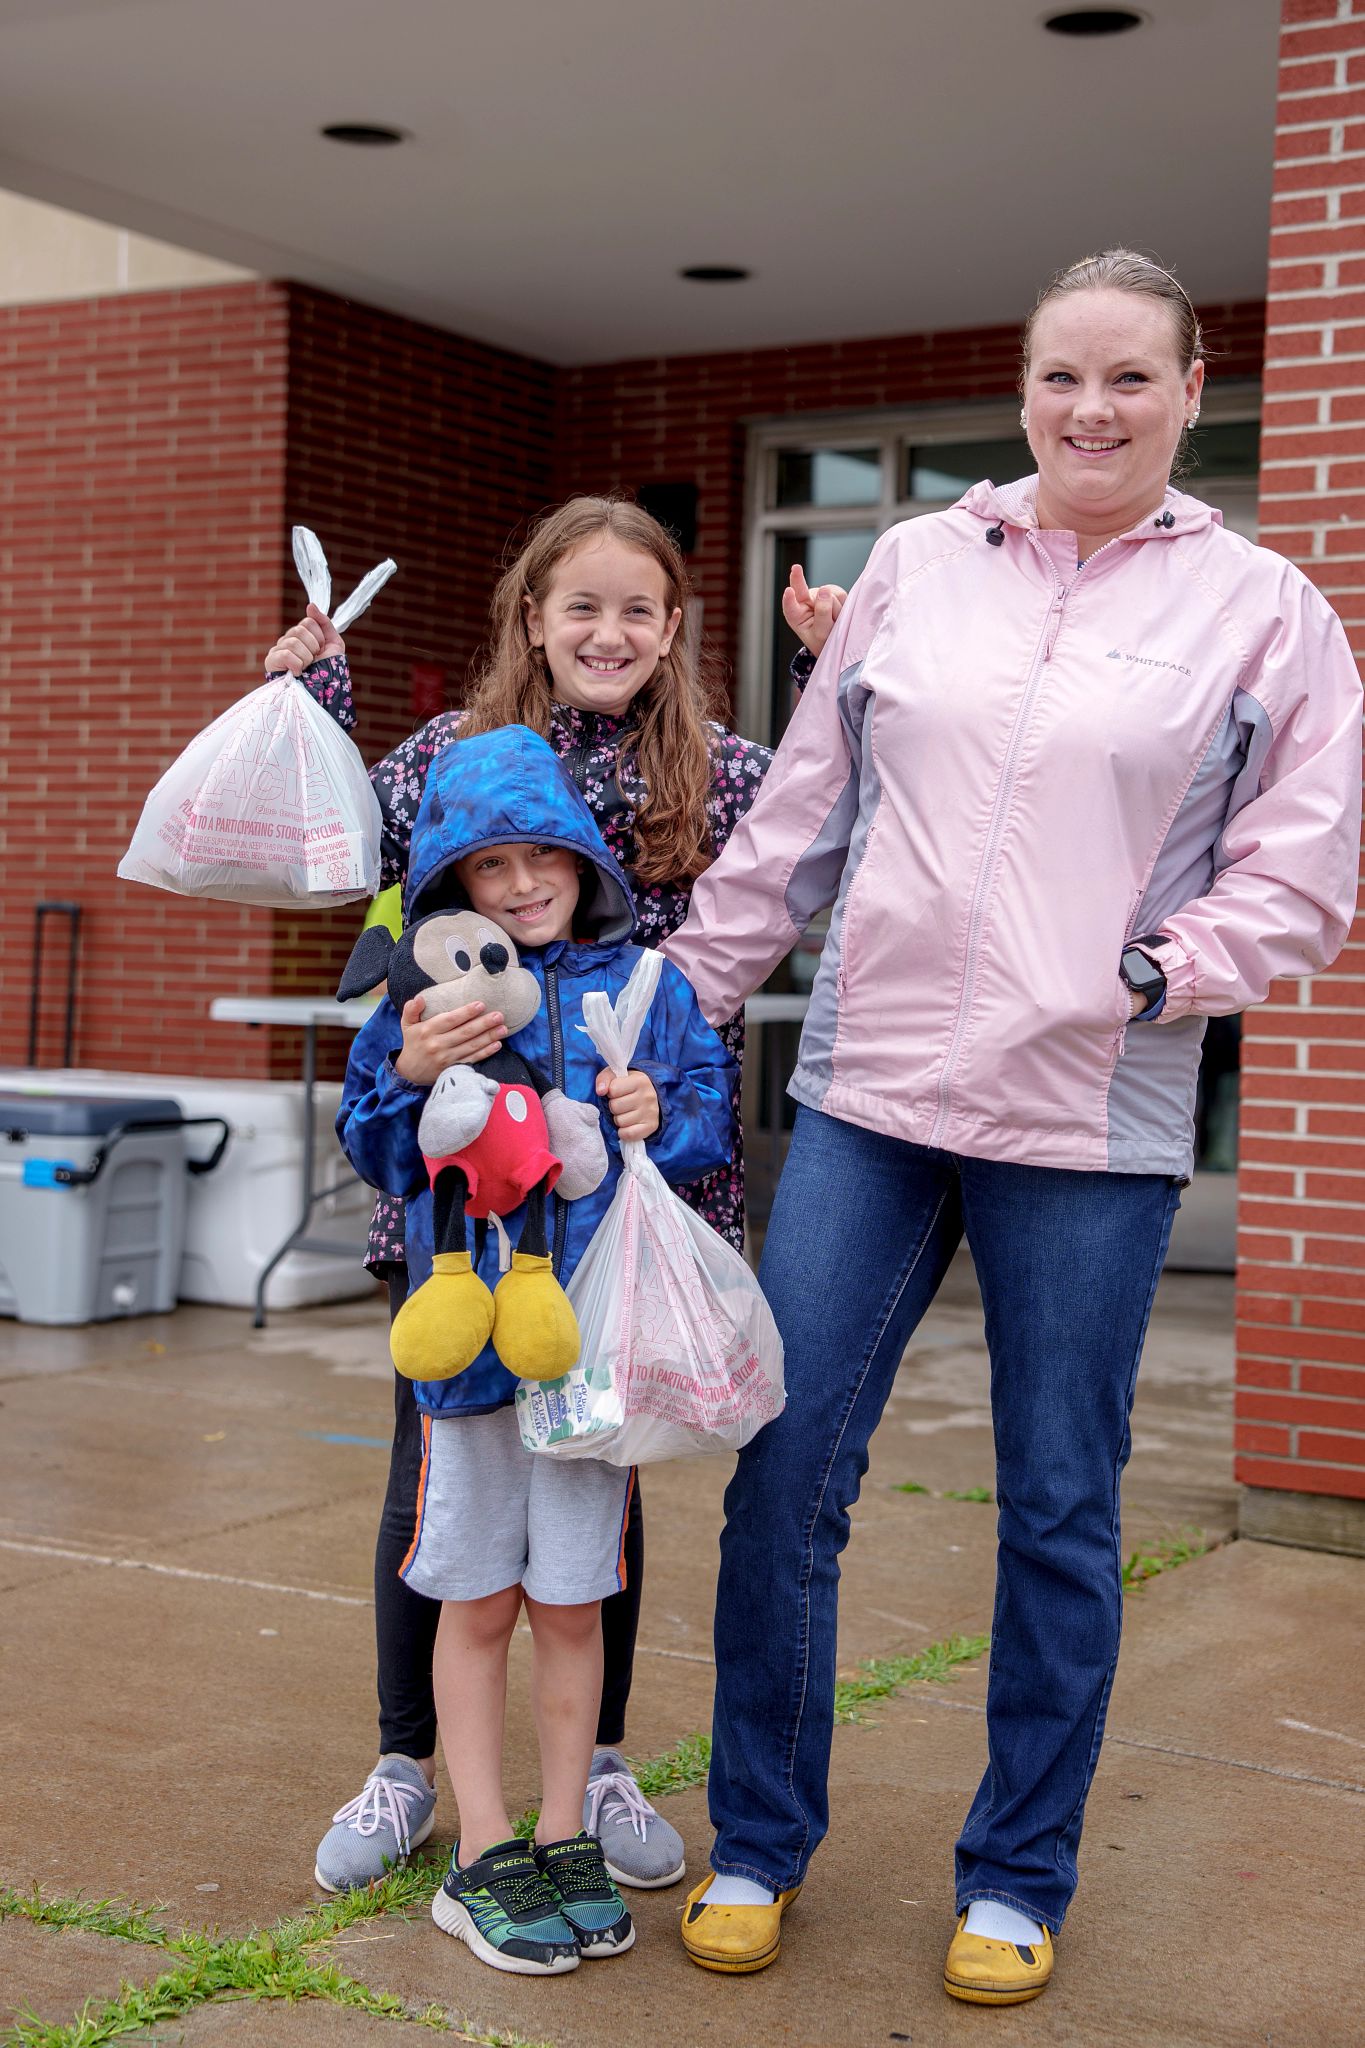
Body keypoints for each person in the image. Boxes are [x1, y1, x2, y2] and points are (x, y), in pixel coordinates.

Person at [660, 249, 1363, 2006]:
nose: (1091, 410)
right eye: (1063, 377)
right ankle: (758, 1836)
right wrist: (674, 996)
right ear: (1024, 388)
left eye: (1132, 378)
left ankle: (1017, 1871)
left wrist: (1159, 968)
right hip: (874, 1088)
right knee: (784, 1462)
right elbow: (805, 815)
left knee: (1058, 1501)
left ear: (1195, 392)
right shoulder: (919, 564)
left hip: (1092, 1113)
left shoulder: (1266, 608)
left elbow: (1309, 857)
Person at [265, 499, 830, 1892]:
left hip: (637, 1178)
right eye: (579, 605)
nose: (607, 632)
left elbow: (841, 809)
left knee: (604, 1467)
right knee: (437, 1478)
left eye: (637, 608)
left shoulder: (725, 769)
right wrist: (308, 698)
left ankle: (604, 1764)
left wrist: (830, 672)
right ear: (531, 616)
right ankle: (408, 1767)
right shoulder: (444, 759)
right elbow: (340, 835)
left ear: (675, 628)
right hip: (457, 1194)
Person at [338, 722, 736, 1974]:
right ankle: (481, 1850)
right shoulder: (427, 992)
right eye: (487, 865)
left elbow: (710, 1114)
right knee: (477, 1593)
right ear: (452, 881)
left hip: (591, 1359)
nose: (518, 885)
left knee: (572, 1600)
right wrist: (406, 1065)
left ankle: (567, 1832)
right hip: (467, 1368)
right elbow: (380, 1148)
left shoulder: (643, 986)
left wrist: (657, 1116)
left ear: (581, 856)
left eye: (540, 856)